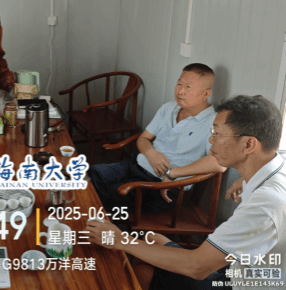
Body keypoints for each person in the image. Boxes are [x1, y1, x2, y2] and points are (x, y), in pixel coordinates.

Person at [87, 94, 286, 290]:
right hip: (236, 265)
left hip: (238, 282)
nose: (211, 140)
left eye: (217, 134)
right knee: (153, 238)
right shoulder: (274, 167)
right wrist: (245, 179)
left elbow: (197, 267)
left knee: (143, 272)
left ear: (249, 144)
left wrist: (119, 240)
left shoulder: (264, 204)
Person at [89, 63, 226, 214]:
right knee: (91, 174)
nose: (180, 91)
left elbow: (219, 163)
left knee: (106, 195)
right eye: (179, 84)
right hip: (136, 165)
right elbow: (143, 138)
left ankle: (89, 221)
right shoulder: (168, 108)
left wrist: (172, 173)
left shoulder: (214, 122)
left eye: (188, 87)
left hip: (163, 185)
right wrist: (151, 154)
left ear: (205, 94)